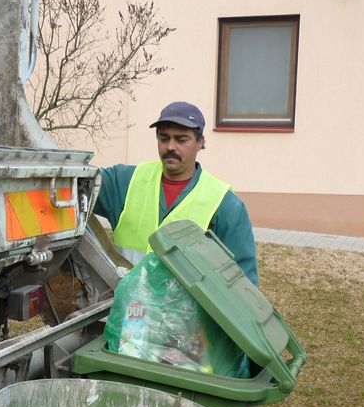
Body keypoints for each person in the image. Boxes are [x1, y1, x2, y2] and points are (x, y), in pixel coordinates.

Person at [94, 101, 259, 285]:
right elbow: (76, 184)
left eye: (181, 140)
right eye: (164, 138)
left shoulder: (224, 205)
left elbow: (243, 285)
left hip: (184, 313)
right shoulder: (124, 182)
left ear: (200, 142)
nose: (170, 146)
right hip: (127, 307)